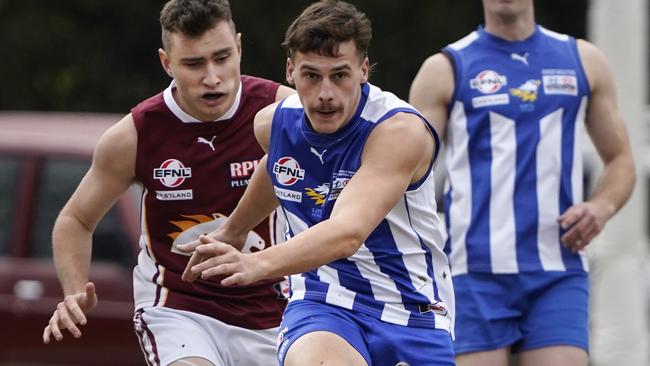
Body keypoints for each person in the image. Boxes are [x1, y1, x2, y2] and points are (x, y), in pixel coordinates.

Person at [178, 1, 455, 365]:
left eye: (339, 75)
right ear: (290, 71)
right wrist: (233, 230)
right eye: (311, 75)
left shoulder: (398, 132)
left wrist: (256, 265)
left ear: (363, 70)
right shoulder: (273, 124)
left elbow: (347, 232)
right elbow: (276, 167)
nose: (325, 93)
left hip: (412, 309)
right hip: (324, 302)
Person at [41, 0, 294, 365]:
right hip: (179, 308)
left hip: (274, 311)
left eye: (222, 57)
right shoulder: (135, 135)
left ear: (239, 47)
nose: (212, 77)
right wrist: (74, 291)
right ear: (167, 63)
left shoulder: (283, 112)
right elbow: (75, 220)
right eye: (194, 64)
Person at [409, 0, 636, 366]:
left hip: (557, 269)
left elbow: (622, 160)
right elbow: (405, 171)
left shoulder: (582, 59)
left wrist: (601, 207)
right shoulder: (446, 68)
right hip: (473, 271)